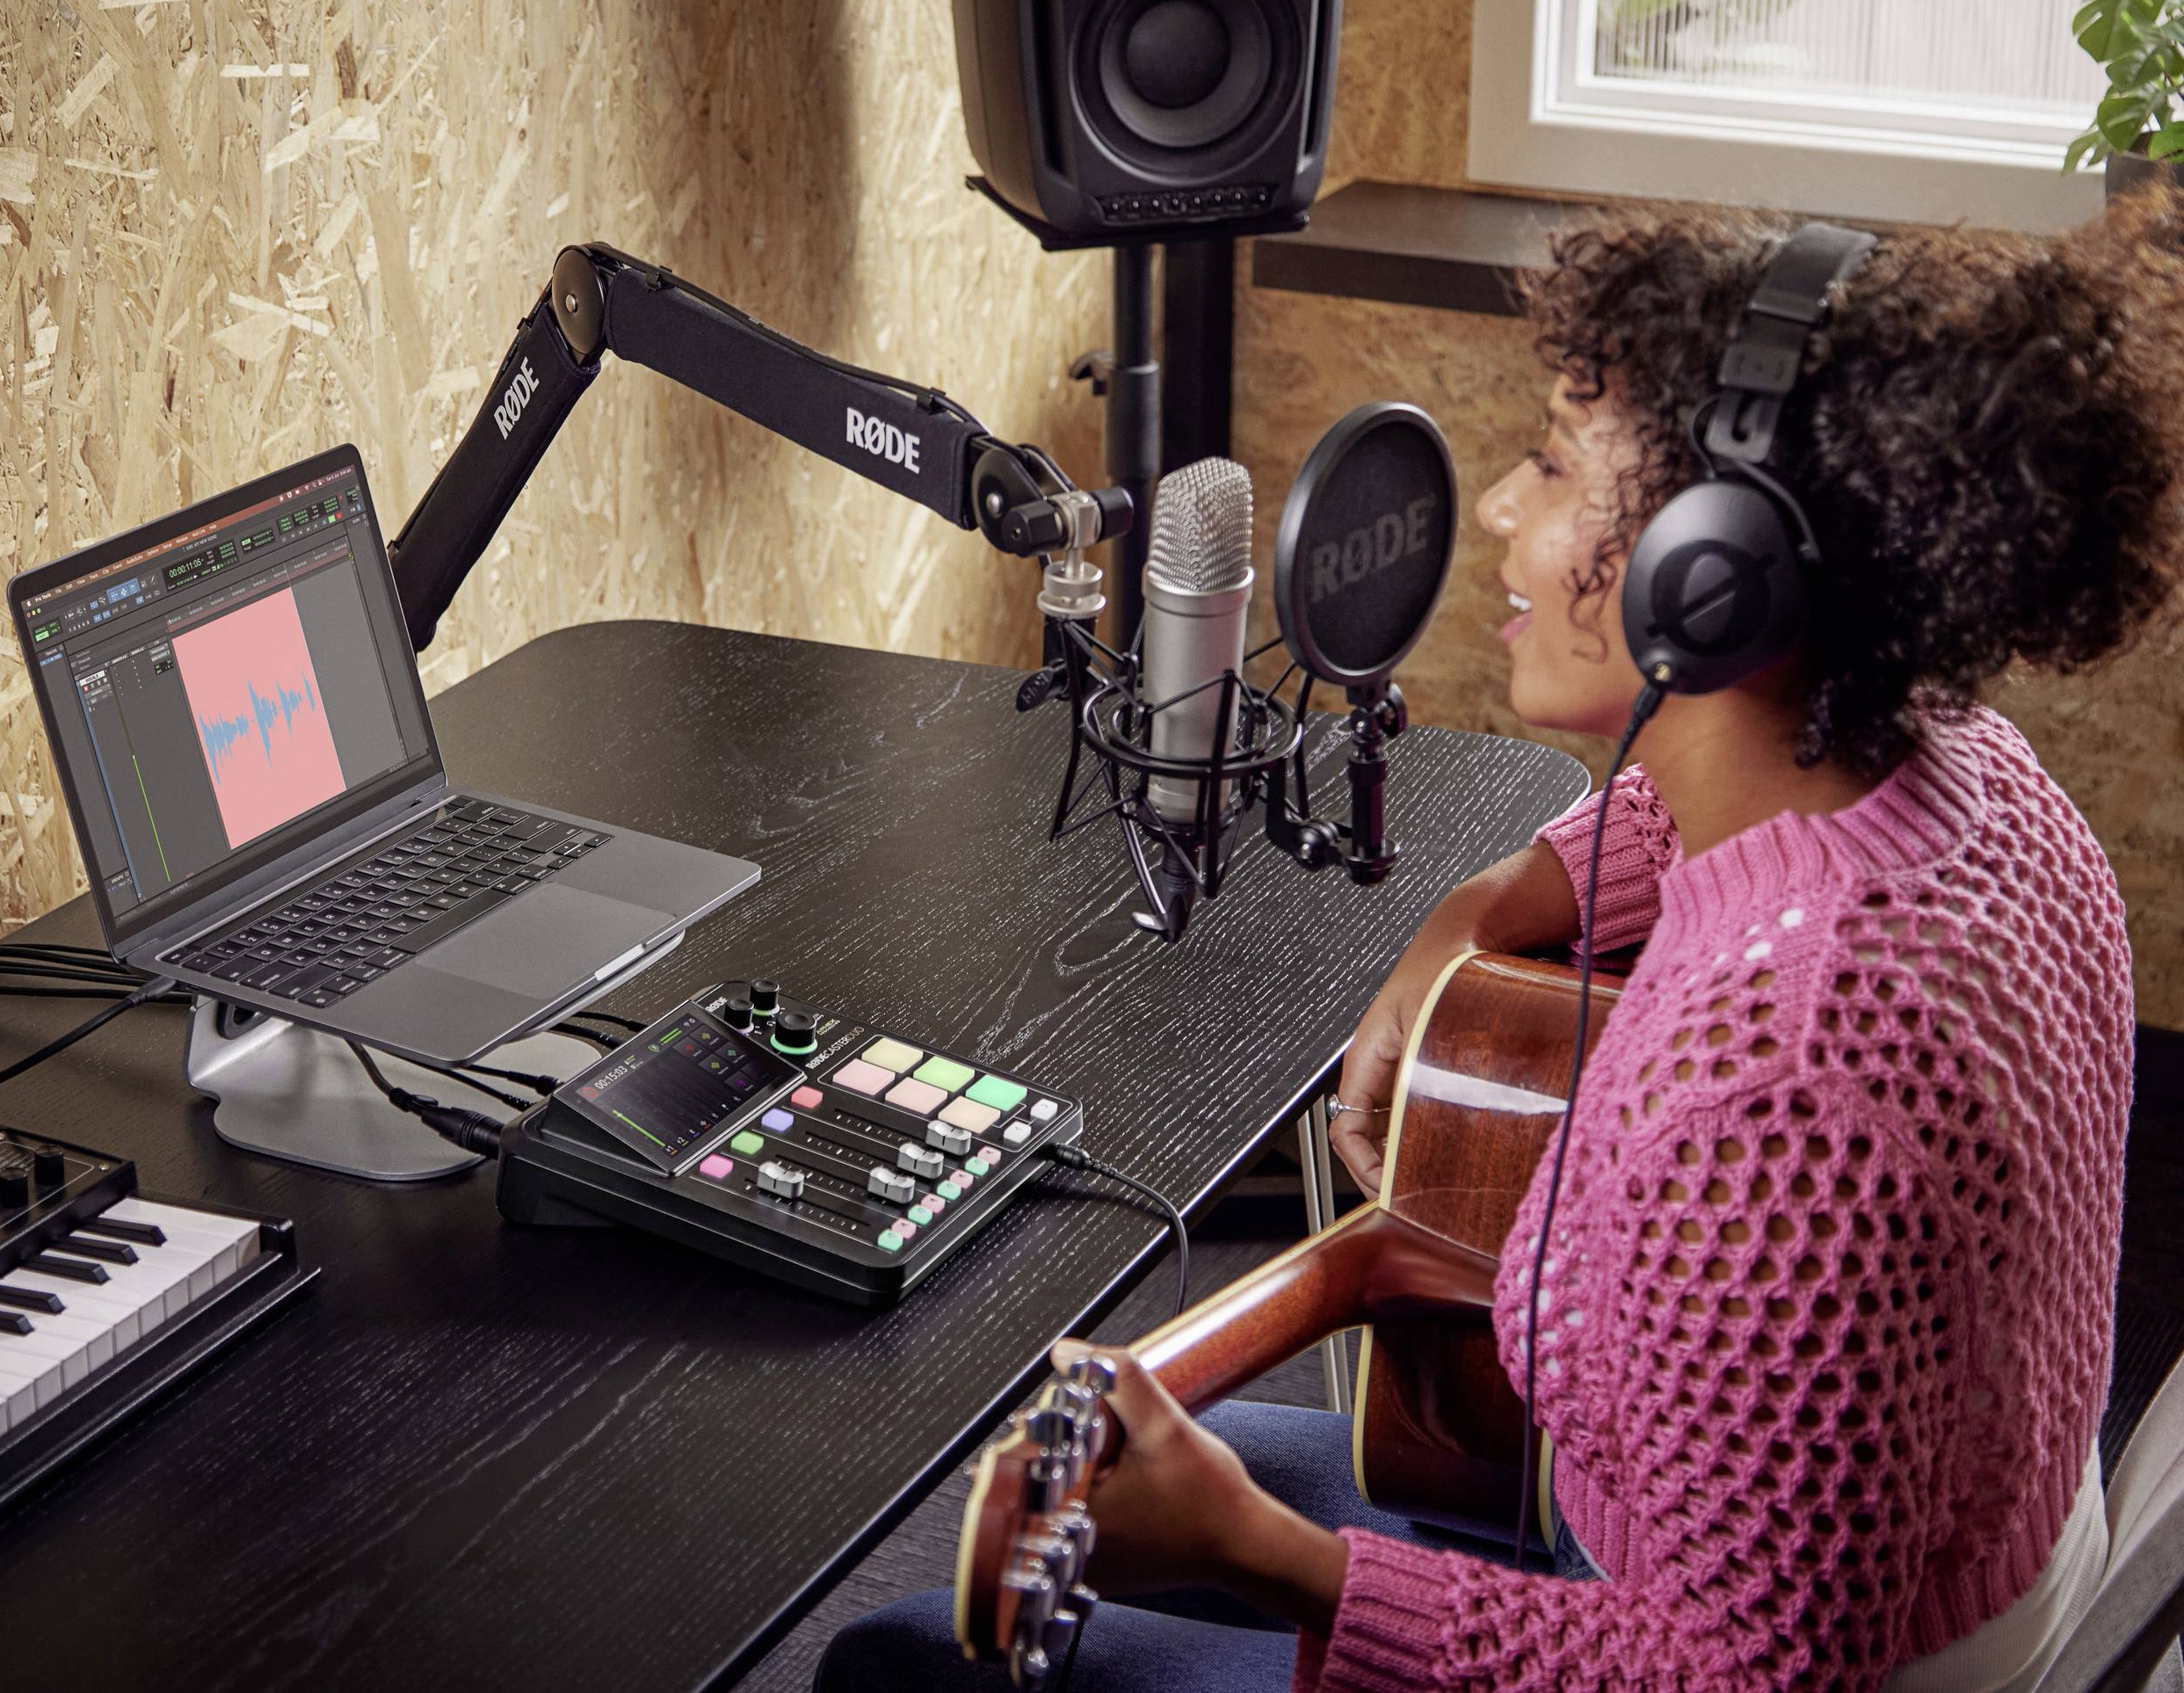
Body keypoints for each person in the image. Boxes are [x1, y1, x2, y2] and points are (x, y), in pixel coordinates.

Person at [817, 193, 2184, 1692]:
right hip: (1922, 1558)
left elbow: (1728, 1680)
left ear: (1710, 577)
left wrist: (1257, 1554)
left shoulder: (1783, 1094)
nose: (1508, 513)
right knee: (1094, 1493)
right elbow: (1695, 827)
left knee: (905, 1656)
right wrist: (1469, 918)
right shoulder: (1977, 777)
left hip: (1742, 1640)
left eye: (1551, 462)